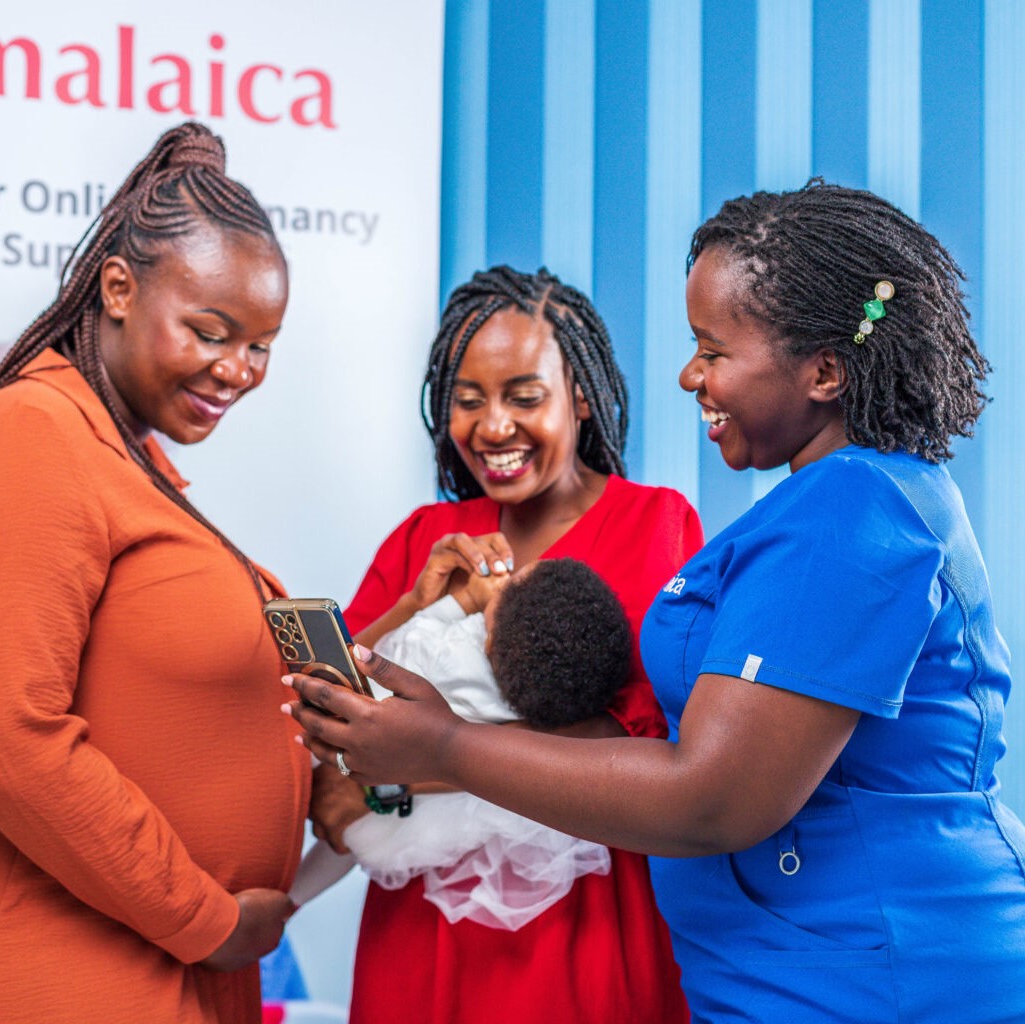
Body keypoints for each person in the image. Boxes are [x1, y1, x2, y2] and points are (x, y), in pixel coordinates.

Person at [288, 182, 1025, 1024]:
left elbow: (711, 795)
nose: (689, 374)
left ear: (823, 370)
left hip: (865, 976)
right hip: (787, 965)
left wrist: (450, 748)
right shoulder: (820, 506)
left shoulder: (850, 512)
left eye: (712, 349)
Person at [0, 122, 309, 1024]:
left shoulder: (131, 463)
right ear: (118, 288)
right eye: (209, 330)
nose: (237, 370)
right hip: (78, 974)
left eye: (261, 345)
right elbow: (3, 735)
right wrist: (205, 920)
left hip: (180, 974)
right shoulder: (28, 433)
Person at [306, 266, 702, 1023]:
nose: (492, 427)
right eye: (467, 400)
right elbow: (336, 718)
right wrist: (415, 604)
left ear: (581, 397)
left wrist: (415, 767)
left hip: (585, 926)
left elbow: (644, 746)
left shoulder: (654, 523)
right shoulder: (423, 537)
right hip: (422, 932)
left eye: (524, 396)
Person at [290, 557, 632, 933]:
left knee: (294, 752)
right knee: (349, 845)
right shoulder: (533, 704)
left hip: (359, 736)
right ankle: (291, 901)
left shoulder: (453, 650)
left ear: (489, 635)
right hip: (410, 825)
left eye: (509, 586)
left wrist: (465, 599)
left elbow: (409, 638)